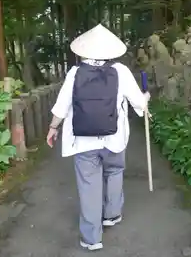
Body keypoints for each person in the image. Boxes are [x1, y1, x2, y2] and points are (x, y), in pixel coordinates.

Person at [46, 24, 150, 251]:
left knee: (88, 185)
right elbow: (139, 104)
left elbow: (61, 106)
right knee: (114, 172)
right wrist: (146, 98)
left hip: (83, 141)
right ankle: (111, 215)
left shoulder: (75, 72)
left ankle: (92, 238)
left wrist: (53, 128)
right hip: (115, 138)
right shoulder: (121, 71)